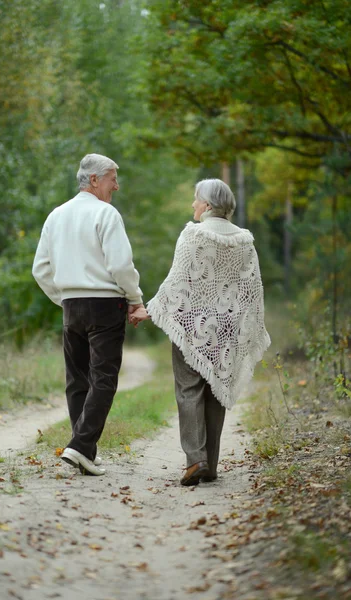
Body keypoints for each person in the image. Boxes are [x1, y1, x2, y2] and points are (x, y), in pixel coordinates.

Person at [131, 179, 270, 486]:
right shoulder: (245, 241)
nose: (192, 205)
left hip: (192, 324)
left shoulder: (193, 235)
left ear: (207, 206)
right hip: (227, 327)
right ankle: (210, 464)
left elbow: (177, 282)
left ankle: (196, 460)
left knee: (189, 388)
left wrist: (147, 309)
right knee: (216, 388)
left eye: (196, 200)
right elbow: (251, 290)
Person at [32, 153, 144, 477]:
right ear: (94, 180)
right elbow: (121, 266)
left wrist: (64, 298)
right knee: (104, 379)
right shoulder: (106, 214)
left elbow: (40, 269)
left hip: (71, 306)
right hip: (106, 305)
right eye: (112, 178)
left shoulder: (56, 215)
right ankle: (80, 447)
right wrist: (135, 299)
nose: (117, 186)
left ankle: (85, 451)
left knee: (77, 380)